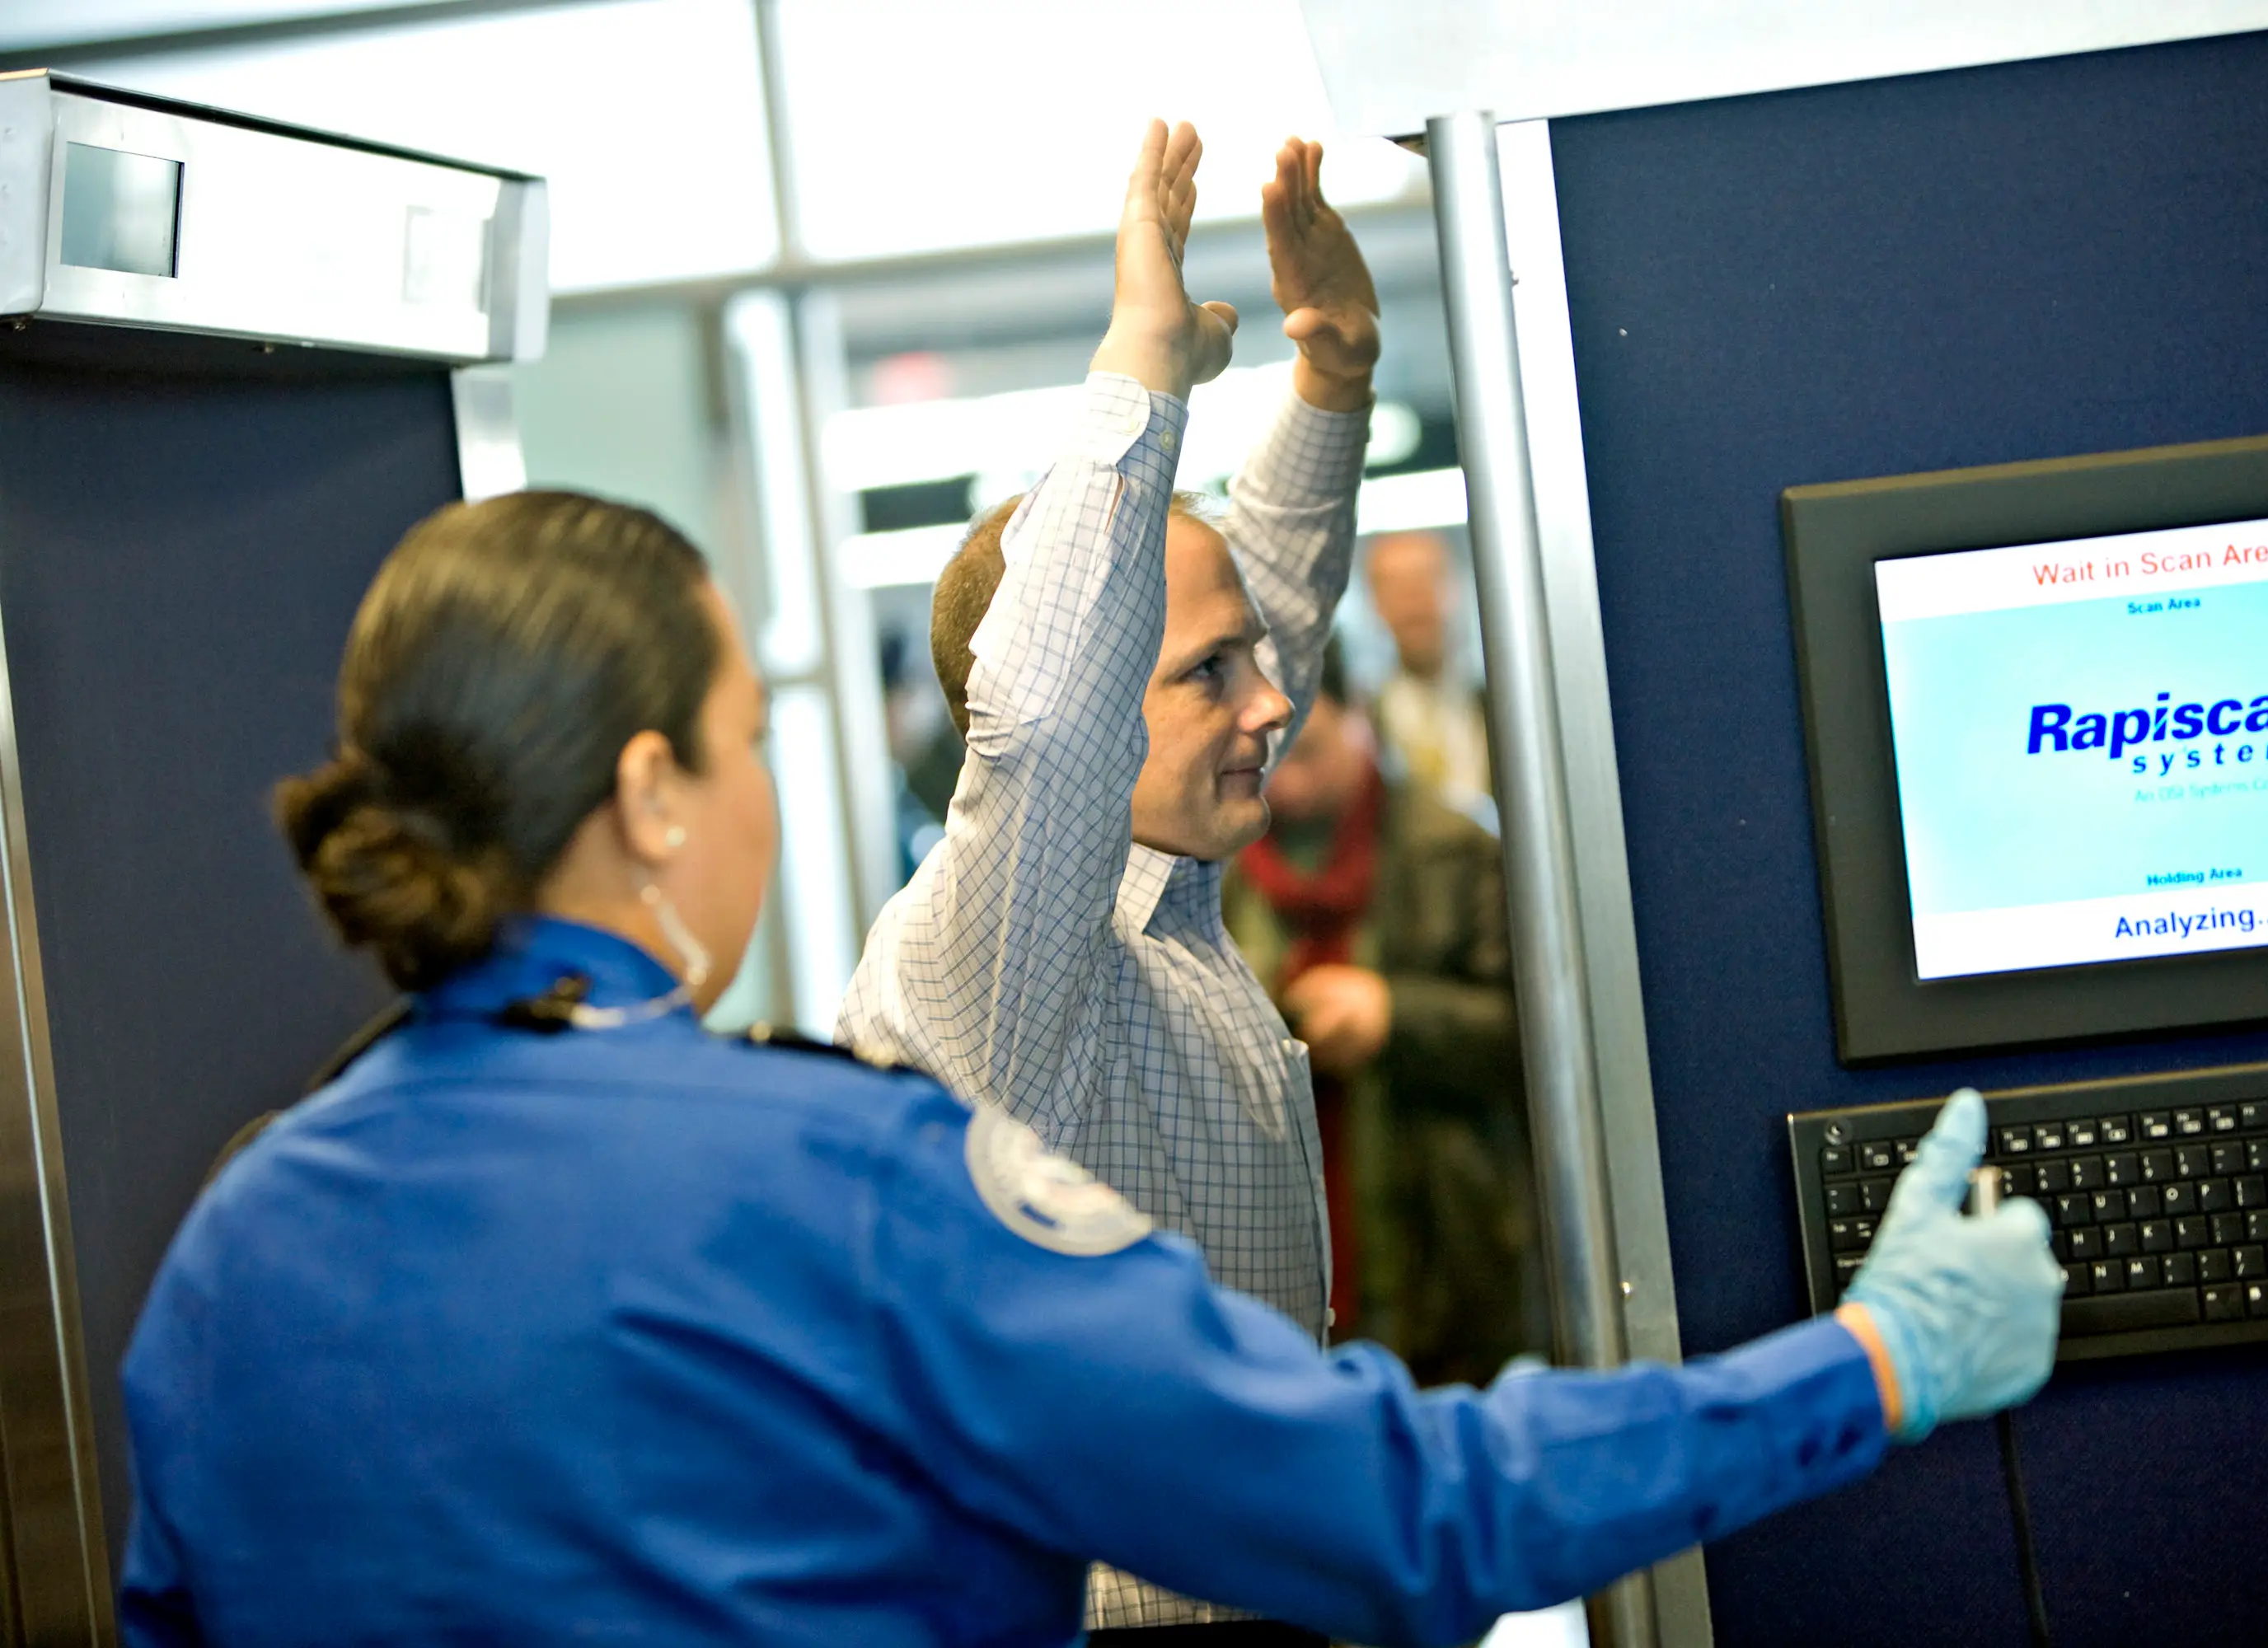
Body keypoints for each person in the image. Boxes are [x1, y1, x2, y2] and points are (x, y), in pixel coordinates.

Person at [116, 473, 2064, 1648]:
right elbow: (1403, 1506)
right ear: (648, 795)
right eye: (739, 734)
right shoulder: (839, 1178)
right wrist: (1864, 1360)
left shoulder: (232, 1245)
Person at [835, 123, 1377, 1636]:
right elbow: (1066, 704)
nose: (1274, 702)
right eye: (1213, 677)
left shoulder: (1171, 898)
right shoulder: (991, 953)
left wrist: (1328, 373)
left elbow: (1246, 591)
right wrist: (1138, 368)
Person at [1223, 646, 1538, 1385]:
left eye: (1311, 751)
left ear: (1359, 720)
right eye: (1270, 758)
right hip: (1283, 1260)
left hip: (1446, 1246)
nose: (1289, 782)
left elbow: (1536, 1038)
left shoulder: (1455, 850)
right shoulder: (1216, 866)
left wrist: (1395, 1016)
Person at [1365, 531, 1492, 817]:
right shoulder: (1362, 724)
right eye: (1397, 588)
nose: (1414, 603)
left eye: (1427, 580)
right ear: (1375, 603)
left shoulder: (1504, 706)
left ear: (1455, 588)